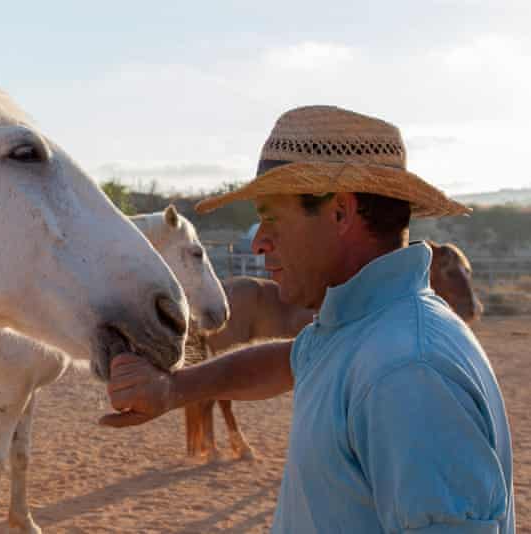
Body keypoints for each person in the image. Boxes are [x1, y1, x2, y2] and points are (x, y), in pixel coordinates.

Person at [100, 106, 514, 533]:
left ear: (340, 212)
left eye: (272, 217)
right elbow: (294, 359)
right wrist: (173, 388)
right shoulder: (365, 331)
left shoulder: (407, 371)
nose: (259, 242)